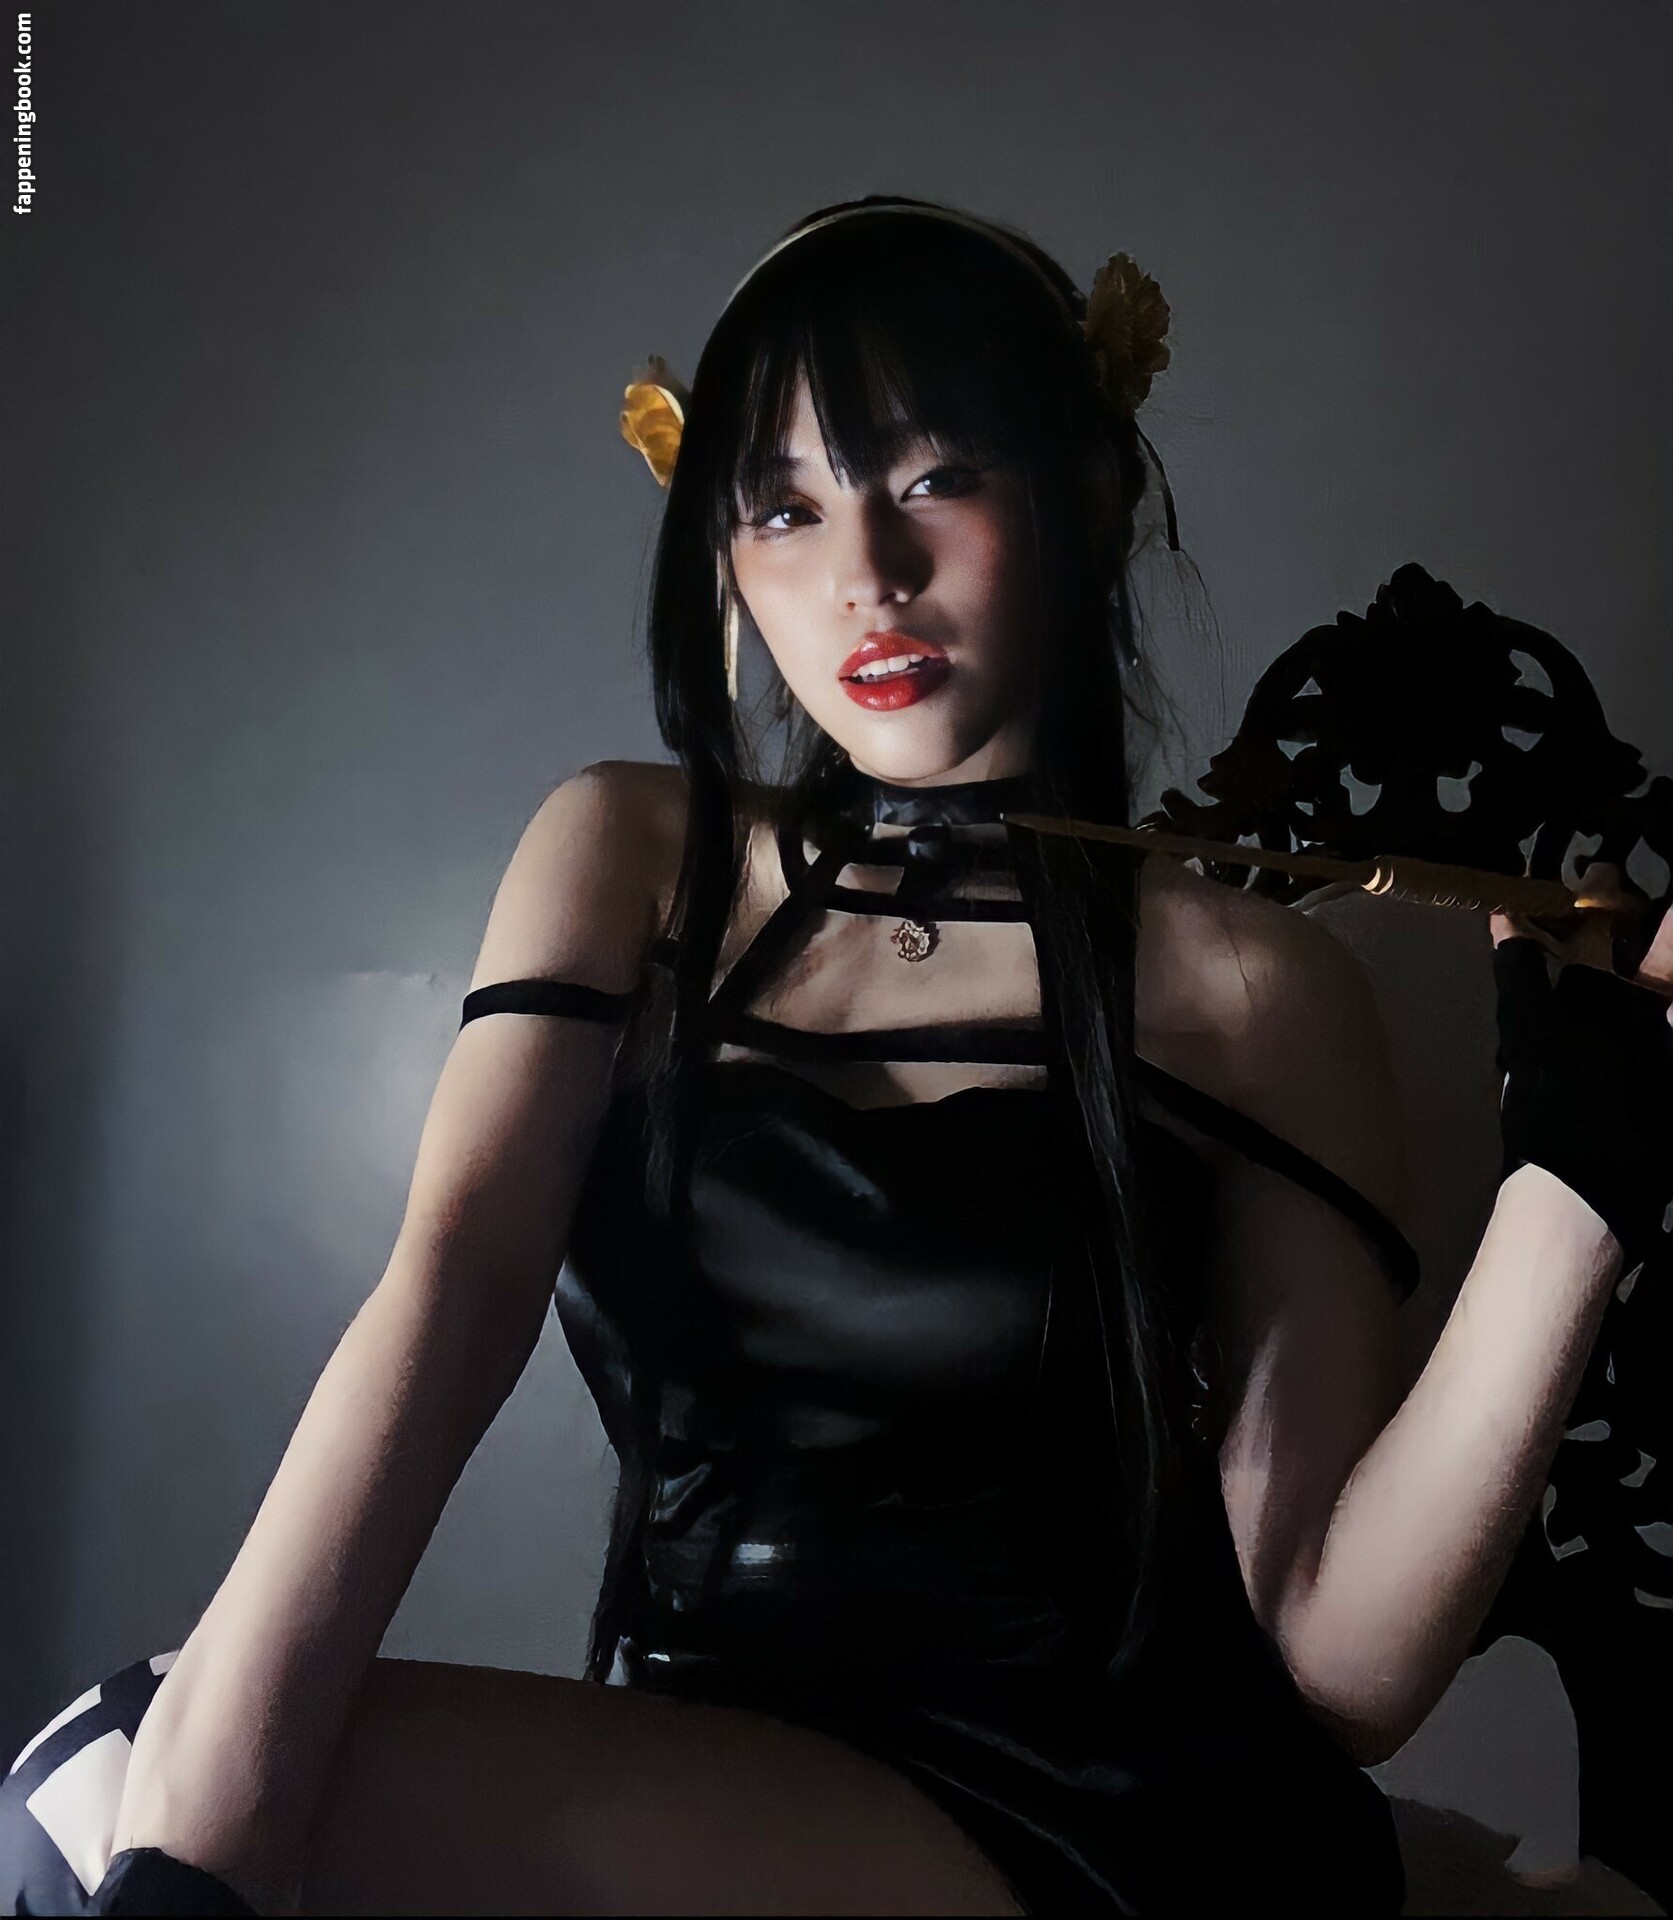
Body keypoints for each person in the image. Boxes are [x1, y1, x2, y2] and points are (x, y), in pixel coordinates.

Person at [6, 195, 1672, 1918]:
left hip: (1109, 1818)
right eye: (784, 507)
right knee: (107, 1783)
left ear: (1088, 497)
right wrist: (188, 1861)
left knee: (130, 1802)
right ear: (725, 562)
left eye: (935, 476)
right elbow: (454, 1290)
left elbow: (1340, 1664)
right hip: (721, 1772)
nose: (865, 571)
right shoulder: (623, 852)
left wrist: (1579, 1179)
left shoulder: (1254, 985)